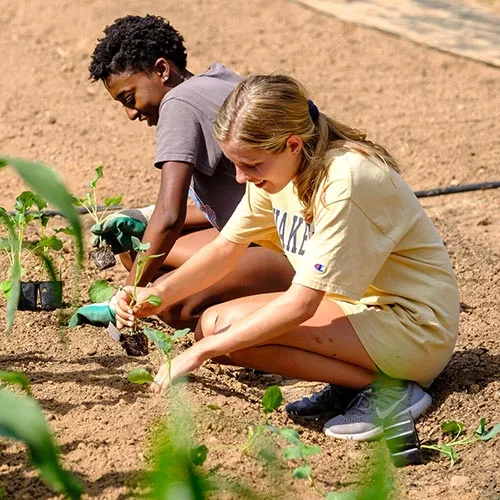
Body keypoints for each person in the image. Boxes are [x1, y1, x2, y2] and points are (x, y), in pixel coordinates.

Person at [114, 74, 460, 441]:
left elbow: (301, 306)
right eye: (235, 163)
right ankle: (358, 383)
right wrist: (151, 296)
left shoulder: (345, 180)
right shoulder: (282, 173)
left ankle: (391, 391)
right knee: (216, 327)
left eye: (250, 164)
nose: (240, 176)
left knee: (221, 335)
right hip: (358, 312)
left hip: (413, 328)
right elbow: (224, 249)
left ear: (293, 144)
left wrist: (199, 353)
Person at [70, 15, 293, 329]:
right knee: (142, 253)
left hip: (294, 250)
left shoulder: (178, 102)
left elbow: (170, 215)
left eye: (130, 98)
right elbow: (243, 201)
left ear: (162, 70)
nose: (131, 114)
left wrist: (122, 300)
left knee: (172, 305)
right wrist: (143, 219)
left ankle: (281, 316)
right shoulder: (219, 79)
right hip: (271, 229)